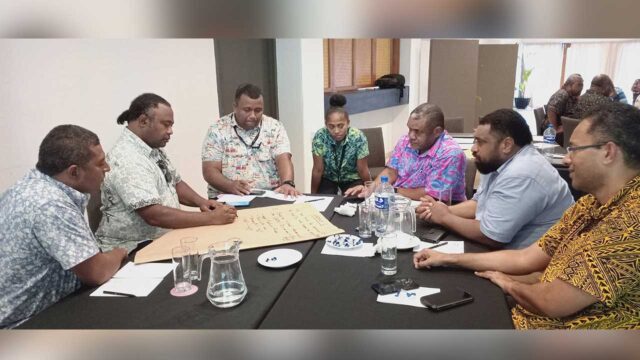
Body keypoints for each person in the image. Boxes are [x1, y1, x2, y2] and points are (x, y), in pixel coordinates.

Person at [414, 102, 640, 329]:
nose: (566, 159)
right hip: (534, 304)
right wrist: (447, 258)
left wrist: (508, 284)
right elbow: (526, 258)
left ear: (608, 152)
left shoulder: (630, 223)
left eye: (574, 149)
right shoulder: (591, 203)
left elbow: (551, 302)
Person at [0, 125, 128, 328]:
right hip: (24, 323)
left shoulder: (30, 185)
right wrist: (120, 252)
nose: (107, 168)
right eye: (100, 163)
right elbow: (96, 272)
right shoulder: (50, 204)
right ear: (74, 172)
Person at [96, 93, 237, 252]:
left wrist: (202, 203)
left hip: (162, 239)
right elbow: (154, 215)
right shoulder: (128, 158)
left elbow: (175, 182)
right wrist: (211, 218)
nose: (170, 131)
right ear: (143, 121)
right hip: (133, 249)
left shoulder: (151, 148)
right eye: (166, 124)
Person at [416, 109, 574, 249]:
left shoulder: (522, 173)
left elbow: (491, 236)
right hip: (506, 254)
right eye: (474, 140)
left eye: (480, 142)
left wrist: (445, 217)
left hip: (531, 268)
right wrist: (438, 210)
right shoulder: (497, 161)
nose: (473, 149)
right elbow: (479, 204)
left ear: (506, 145)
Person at [344, 103, 466, 202]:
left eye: (417, 131)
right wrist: (371, 189)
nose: (411, 136)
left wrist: (392, 191)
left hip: (433, 207)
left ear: (437, 131)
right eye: (409, 129)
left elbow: (433, 194)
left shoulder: (450, 154)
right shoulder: (405, 141)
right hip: (399, 200)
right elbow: (391, 172)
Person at [202, 84, 300, 198]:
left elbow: (283, 158)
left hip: (269, 195)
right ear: (235, 107)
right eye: (247, 110)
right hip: (228, 196)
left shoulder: (275, 127)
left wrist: (287, 183)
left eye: (258, 110)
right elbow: (209, 171)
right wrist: (230, 185)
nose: (253, 116)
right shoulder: (217, 130)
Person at [311, 94, 371, 194]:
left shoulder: (358, 137)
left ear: (348, 123)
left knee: (354, 202)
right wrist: (312, 194)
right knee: (325, 203)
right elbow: (317, 170)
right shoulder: (320, 136)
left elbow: (362, 169)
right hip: (329, 178)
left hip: (352, 178)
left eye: (340, 126)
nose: (336, 131)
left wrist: (369, 190)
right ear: (326, 124)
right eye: (331, 126)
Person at [545, 73, 583, 144]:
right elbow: (551, 110)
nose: (581, 87)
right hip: (551, 131)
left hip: (563, 128)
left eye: (582, 84)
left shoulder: (570, 95)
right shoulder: (563, 94)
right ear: (569, 84)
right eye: (579, 84)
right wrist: (555, 128)